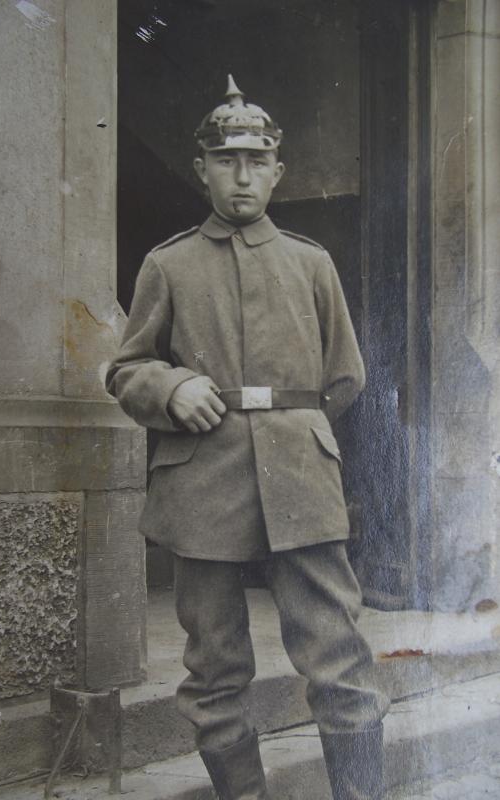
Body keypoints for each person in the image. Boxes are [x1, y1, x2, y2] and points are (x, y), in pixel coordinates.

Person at [106, 75, 389, 800]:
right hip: (201, 486)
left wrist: (288, 430)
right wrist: (173, 387)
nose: (242, 175)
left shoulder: (310, 262)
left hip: (301, 479)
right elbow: (127, 366)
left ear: (276, 171)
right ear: (201, 169)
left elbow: (344, 377)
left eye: (256, 161)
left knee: (339, 655)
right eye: (226, 161)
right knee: (215, 668)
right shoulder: (167, 264)